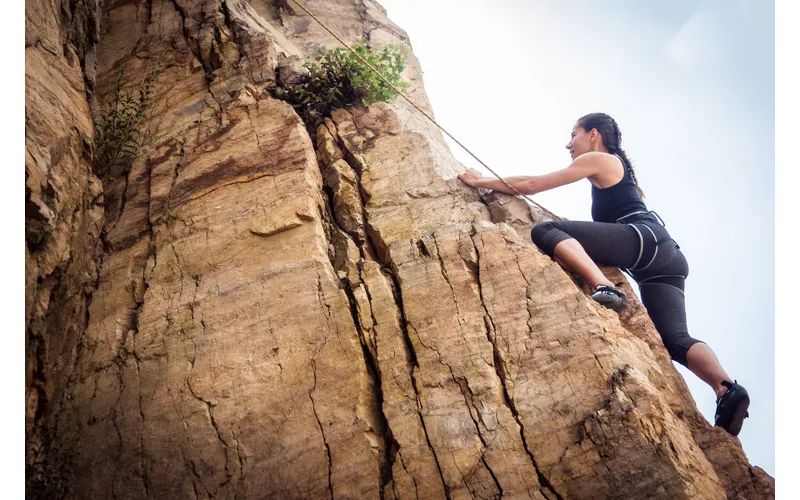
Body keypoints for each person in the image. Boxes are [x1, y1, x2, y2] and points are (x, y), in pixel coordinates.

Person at [457, 112, 749, 437]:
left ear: (593, 134)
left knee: (546, 231)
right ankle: (726, 389)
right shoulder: (616, 170)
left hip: (643, 241)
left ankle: (605, 286)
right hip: (665, 258)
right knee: (675, 340)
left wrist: (479, 181)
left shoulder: (600, 159)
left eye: (574, 134)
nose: (568, 144)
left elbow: (532, 185)